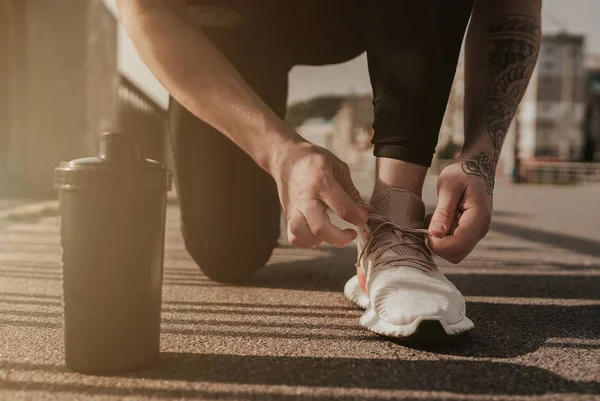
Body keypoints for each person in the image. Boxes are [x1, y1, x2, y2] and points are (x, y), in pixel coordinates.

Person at [117, 0, 542, 339]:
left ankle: (392, 222)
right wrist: (279, 153)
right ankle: (281, 182)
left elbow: (513, 6)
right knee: (227, 253)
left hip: (357, 12)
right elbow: (145, 9)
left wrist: (481, 156)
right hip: (228, 20)